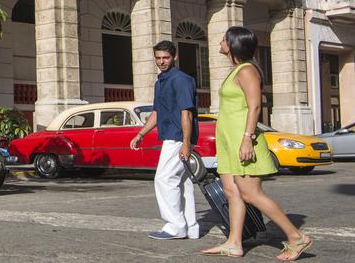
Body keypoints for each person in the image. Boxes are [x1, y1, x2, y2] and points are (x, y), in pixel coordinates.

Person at [200, 26, 312, 260]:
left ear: (233, 44)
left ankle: (296, 237)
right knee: (231, 192)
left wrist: (247, 139)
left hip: (243, 140)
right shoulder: (236, 70)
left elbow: (255, 106)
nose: (220, 42)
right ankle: (234, 243)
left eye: (224, 39)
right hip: (229, 141)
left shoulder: (247, 70)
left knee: (251, 194)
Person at [130, 40, 199, 240]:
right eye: (158, 58)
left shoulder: (181, 80)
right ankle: (191, 227)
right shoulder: (160, 81)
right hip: (172, 136)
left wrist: (186, 143)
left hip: (177, 137)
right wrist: (141, 134)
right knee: (182, 182)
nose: (161, 61)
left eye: (166, 58)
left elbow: (187, 113)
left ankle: (175, 226)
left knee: (164, 179)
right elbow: (157, 113)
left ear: (175, 57)